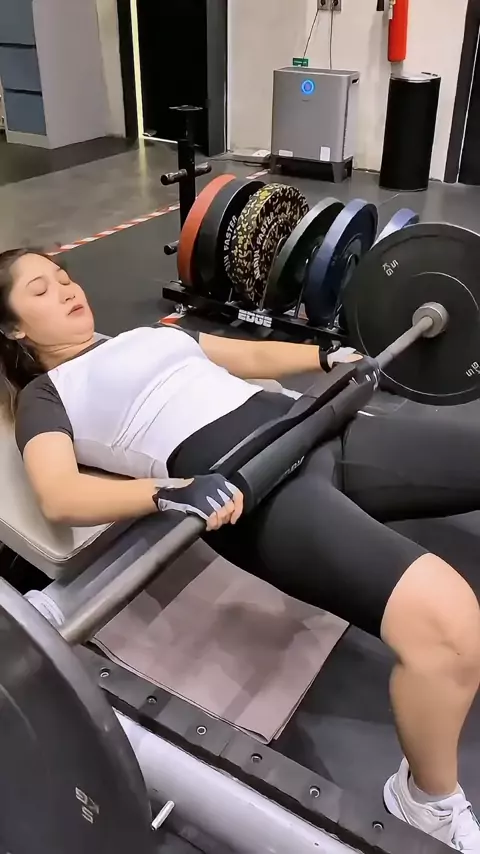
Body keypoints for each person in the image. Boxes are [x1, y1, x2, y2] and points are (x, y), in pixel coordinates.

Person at [0, 247, 479, 852]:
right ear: (13, 328)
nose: (67, 289)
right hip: (256, 485)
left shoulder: (149, 334)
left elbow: (240, 354)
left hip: (314, 425)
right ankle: (426, 802)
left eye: (64, 276)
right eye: (41, 290)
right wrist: (170, 491)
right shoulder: (47, 394)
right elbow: (59, 494)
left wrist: (326, 356)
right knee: (448, 626)